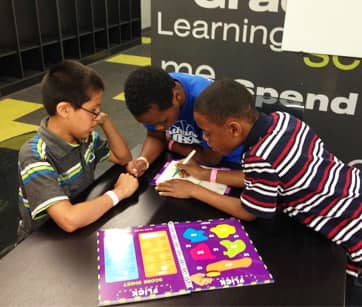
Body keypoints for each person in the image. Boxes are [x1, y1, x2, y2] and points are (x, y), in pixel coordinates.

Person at [155, 79, 361, 305]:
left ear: (234, 128)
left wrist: (194, 190)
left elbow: (248, 210)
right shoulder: (283, 121)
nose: (204, 139)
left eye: (207, 132)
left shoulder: (260, 156)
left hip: (349, 231)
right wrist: (204, 174)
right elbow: (264, 176)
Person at [18, 60, 138, 234]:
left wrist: (105, 121)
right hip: (43, 242)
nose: (96, 117)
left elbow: (123, 158)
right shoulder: (35, 155)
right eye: (93, 110)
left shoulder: (85, 138)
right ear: (65, 110)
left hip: (83, 223)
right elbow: (69, 220)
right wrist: (119, 192)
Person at [124, 66, 244, 177]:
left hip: (232, 164)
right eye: (151, 124)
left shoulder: (207, 102)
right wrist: (143, 160)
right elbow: (155, 137)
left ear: (177, 96)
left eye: (163, 121)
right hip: (190, 158)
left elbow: (211, 158)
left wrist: (171, 145)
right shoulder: (152, 98)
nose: (159, 128)